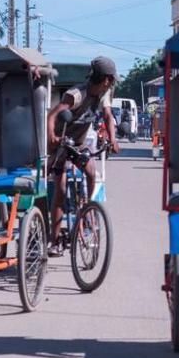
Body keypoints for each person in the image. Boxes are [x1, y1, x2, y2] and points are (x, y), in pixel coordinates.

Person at [46, 56, 120, 256]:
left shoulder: (104, 94)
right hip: (60, 144)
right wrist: (52, 135)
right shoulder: (76, 94)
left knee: (90, 171)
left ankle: (87, 208)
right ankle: (54, 240)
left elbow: (107, 116)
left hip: (77, 145)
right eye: (111, 80)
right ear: (105, 79)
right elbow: (52, 115)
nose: (111, 83)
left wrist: (112, 139)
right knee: (60, 191)